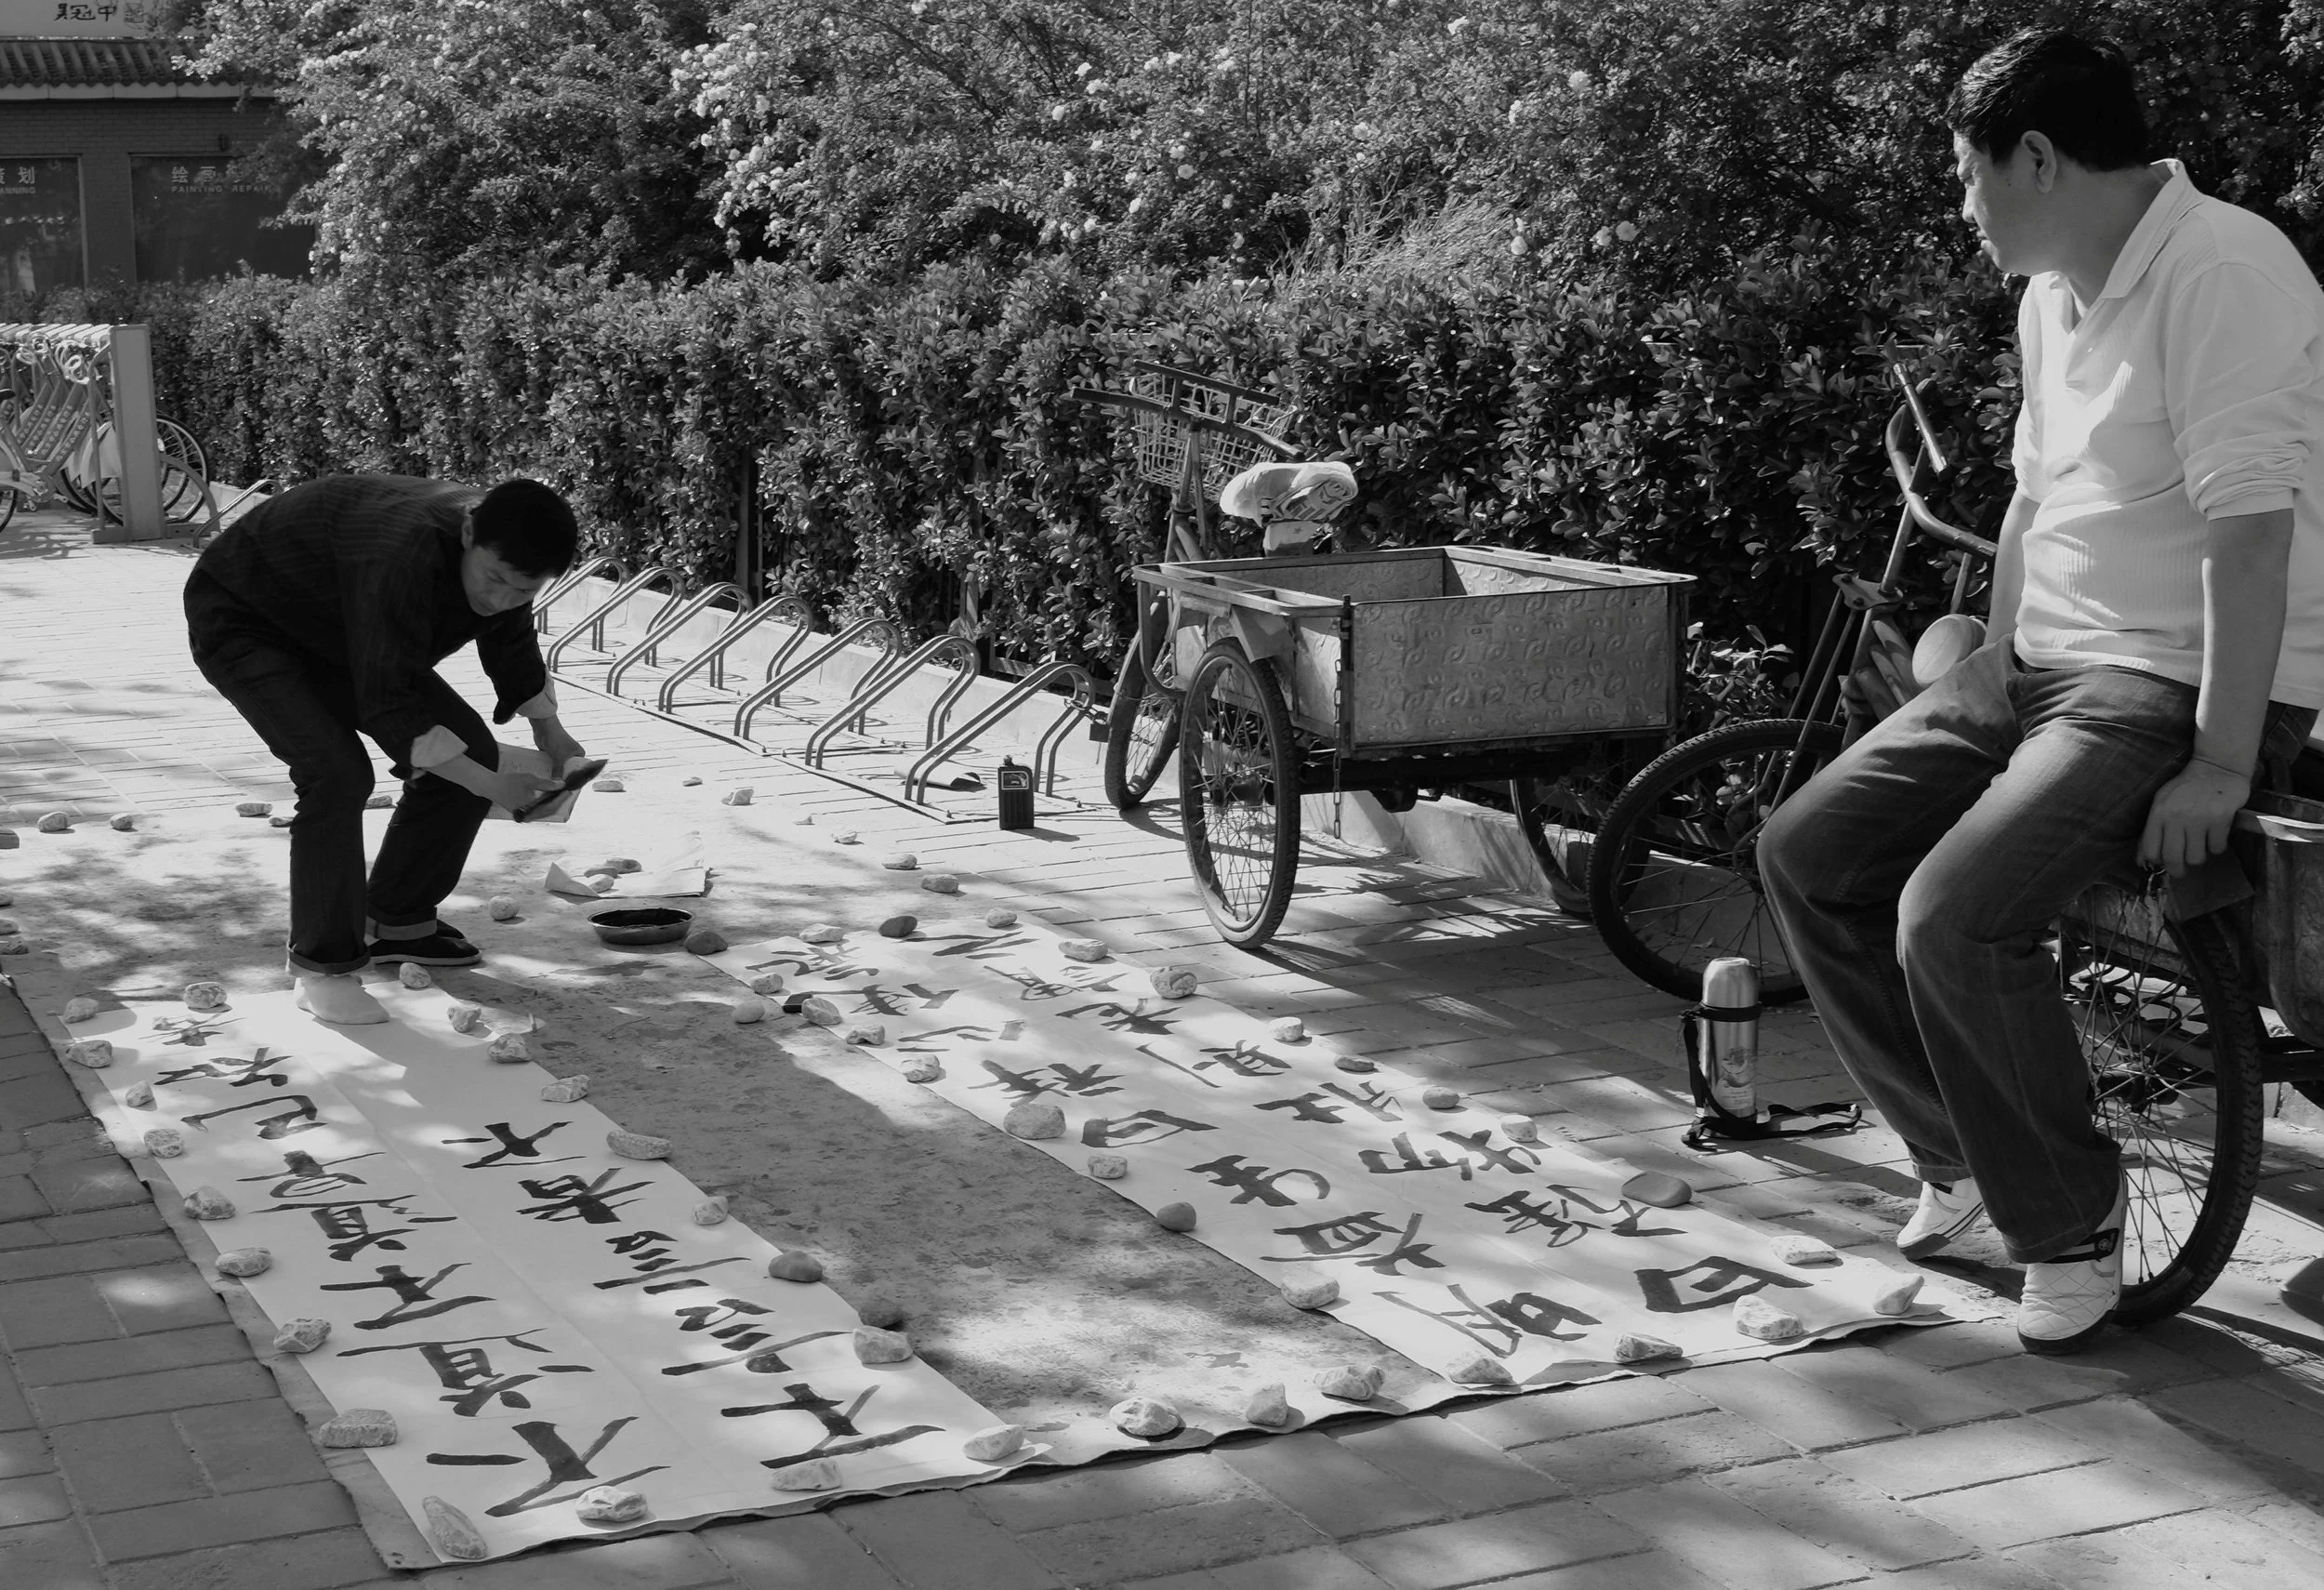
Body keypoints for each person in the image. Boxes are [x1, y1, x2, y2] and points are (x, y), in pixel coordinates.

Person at [1759, 28, 2324, 1353]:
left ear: (2040, 156)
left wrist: (2224, 762)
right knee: (1807, 853)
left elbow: (2254, 530)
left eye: (1968, 178)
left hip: (2166, 683)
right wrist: (1992, 678)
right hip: (2045, 670)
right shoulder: (2051, 293)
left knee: (1949, 916)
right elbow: (2030, 501)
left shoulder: (2228, 271)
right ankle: (1964, 1162)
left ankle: (2067, 1221)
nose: (1962, 209)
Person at [184, 474, 588, 1027]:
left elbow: (510, 639)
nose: (499, 600)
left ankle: (399, 920)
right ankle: (322, 970)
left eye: (522, 591)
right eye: (493, 580)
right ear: (468, 532)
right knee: (336, 774)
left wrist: (553, 733)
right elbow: (389, 705)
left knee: (470, 748)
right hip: (247, 616)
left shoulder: (506, 552)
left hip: (340, 628)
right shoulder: (401, 555)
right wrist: (496, 788)